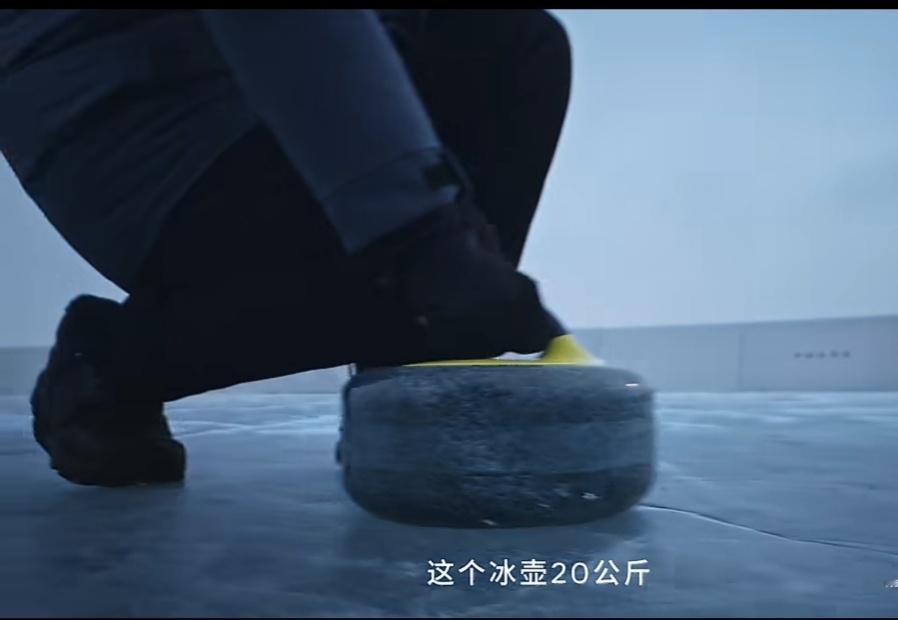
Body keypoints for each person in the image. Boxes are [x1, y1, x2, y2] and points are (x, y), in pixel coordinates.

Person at [0, 10, 573, 486]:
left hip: (250, 95)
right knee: (415, 268)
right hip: (133, 128)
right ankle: (113, 362)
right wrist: (421, 238)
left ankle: (415, 385)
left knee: (503, 41)